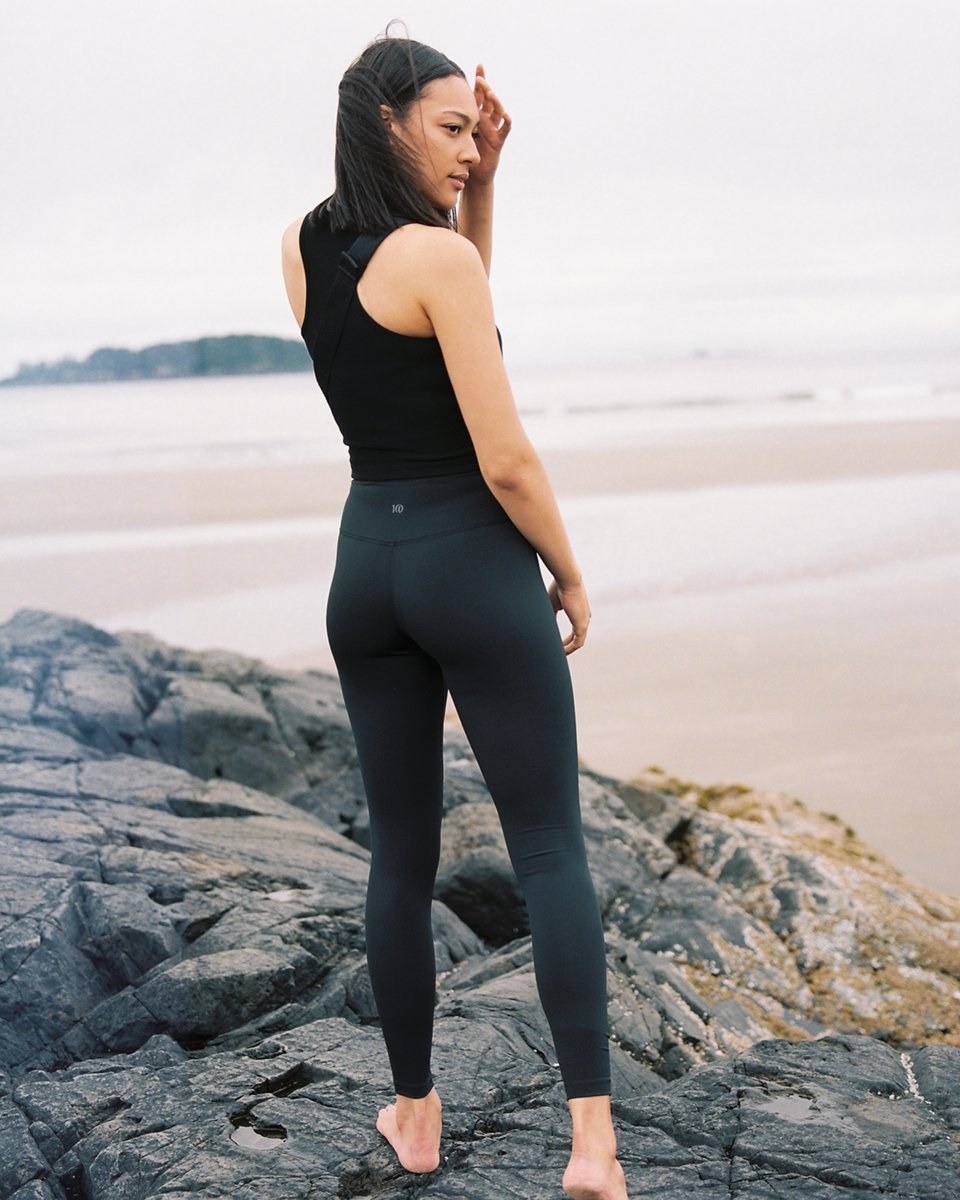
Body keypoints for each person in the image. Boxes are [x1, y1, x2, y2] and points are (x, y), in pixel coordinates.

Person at [281, 33, 628, 1200]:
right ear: (384, 118)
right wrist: (567, 571)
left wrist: (485, 190)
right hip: (471, 564)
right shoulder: (439, 258)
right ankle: (592, 1150)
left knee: (400, 856)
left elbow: (426, 345)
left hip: (364, 570)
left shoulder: (304, 245)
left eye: (478, 132)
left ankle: (416, 1119)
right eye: (450, 126)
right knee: (549, 850)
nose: (472, 147)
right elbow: (503, 452)